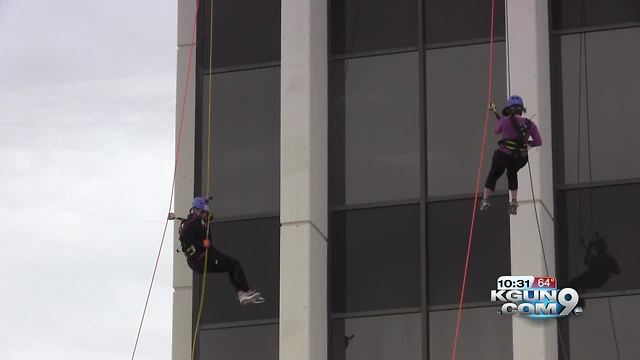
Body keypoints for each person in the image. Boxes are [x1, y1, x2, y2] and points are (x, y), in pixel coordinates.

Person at [179, 196, 264, 305]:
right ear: (197, 211)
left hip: (205, 256)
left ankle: (242, 293)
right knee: (234, 264)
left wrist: (205, 202)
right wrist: (201, 244)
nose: (206, 215)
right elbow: (183, 236)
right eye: (204, 212)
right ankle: (244, 292)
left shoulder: (201, 222)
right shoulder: (193, 222)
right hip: (201, 258)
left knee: (231, 266)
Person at [480, 95, 542, 215]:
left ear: (509, 109)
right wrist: (527, 143)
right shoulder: (530, 124)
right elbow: (538, 142)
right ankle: (513, 202)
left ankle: (486, 200)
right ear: (521, 109)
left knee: (494, 174)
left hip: (503, 155)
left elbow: (496, 131)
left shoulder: (505, 120)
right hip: (520, 158)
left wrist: (501, 120)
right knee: (512, 174)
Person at [569, 233, 620, 308]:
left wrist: (606, 270)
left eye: (597, 247)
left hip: (597, 279)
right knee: (575, 283)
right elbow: (586, 261)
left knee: (577, 283)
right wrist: (589, 248)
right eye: (596, 247)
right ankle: (577, 303)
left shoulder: (608, 258)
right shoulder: (595, 257)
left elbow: (617, 271)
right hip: (590, 278)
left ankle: (578, 304)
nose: (596, 249)